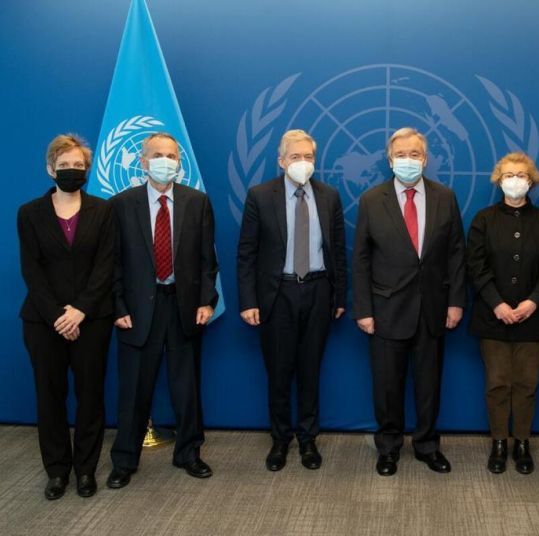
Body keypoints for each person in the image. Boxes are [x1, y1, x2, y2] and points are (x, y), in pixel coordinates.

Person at [106, 132, 219, 489]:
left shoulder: (197, 201)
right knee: (134, 390)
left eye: (171, 155)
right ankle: (124, 460)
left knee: (186, 387)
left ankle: (189, 453)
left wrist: (206, 300)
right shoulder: (121, 204)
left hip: (183, 305)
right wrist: (117, 305)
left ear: (179, 163)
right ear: (143, 161)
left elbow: (207, 261)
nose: (165, 160)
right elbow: (112, 264)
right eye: (157, 154)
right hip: (138, 309)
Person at [353, 127, 466, 476]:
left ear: (425, 159)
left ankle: (427, 445)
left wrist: (456, 302)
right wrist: (364, 310)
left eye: (414, 154)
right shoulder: (372, 200)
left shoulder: (445, 196)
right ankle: (388, 447)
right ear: (389, 160)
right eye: (400, 154)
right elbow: (361, 259)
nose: (407, 160)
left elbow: (456, 254)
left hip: (433, 309)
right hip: (386, 310)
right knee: (387, 385)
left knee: (429, 383)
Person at [237, 130, 347, 471]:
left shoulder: (329, 196)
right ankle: (280, 440)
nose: (303, 164)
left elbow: (339, 252)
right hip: (277, 294)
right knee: (280, 372)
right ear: (281, 161)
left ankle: (308, 439)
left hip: (318, 291)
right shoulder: (260, 195)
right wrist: (248, 300)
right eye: (296, 157)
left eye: (309, 158)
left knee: (310, 370)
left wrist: (339, 295)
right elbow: (247, 253)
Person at [18, 134, 116, 500]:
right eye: (65, 166)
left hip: (92, 319)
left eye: (79, 166)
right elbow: (32, 270)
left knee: (91, 396)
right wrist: (59, 315)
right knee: (50, 396)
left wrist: (80, 310)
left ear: (87, 170)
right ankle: (57, 471)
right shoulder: (29, 213)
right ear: (50, 169)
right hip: (44, 322)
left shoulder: (103, 211)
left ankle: (85, 470)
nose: (72, 171)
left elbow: (106, 266)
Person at [466, 152, 539, 474]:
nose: (515, 181)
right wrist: (498, 304)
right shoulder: (483, 220)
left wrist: (534, 301)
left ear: (531, 180)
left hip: (532, 317)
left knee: (526, 383)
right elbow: (476, 267)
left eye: (521, 175)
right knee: (497, 383)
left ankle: (522, 442)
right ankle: (498, 442)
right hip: (492, 316)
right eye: (508, 175)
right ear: (498, 180)